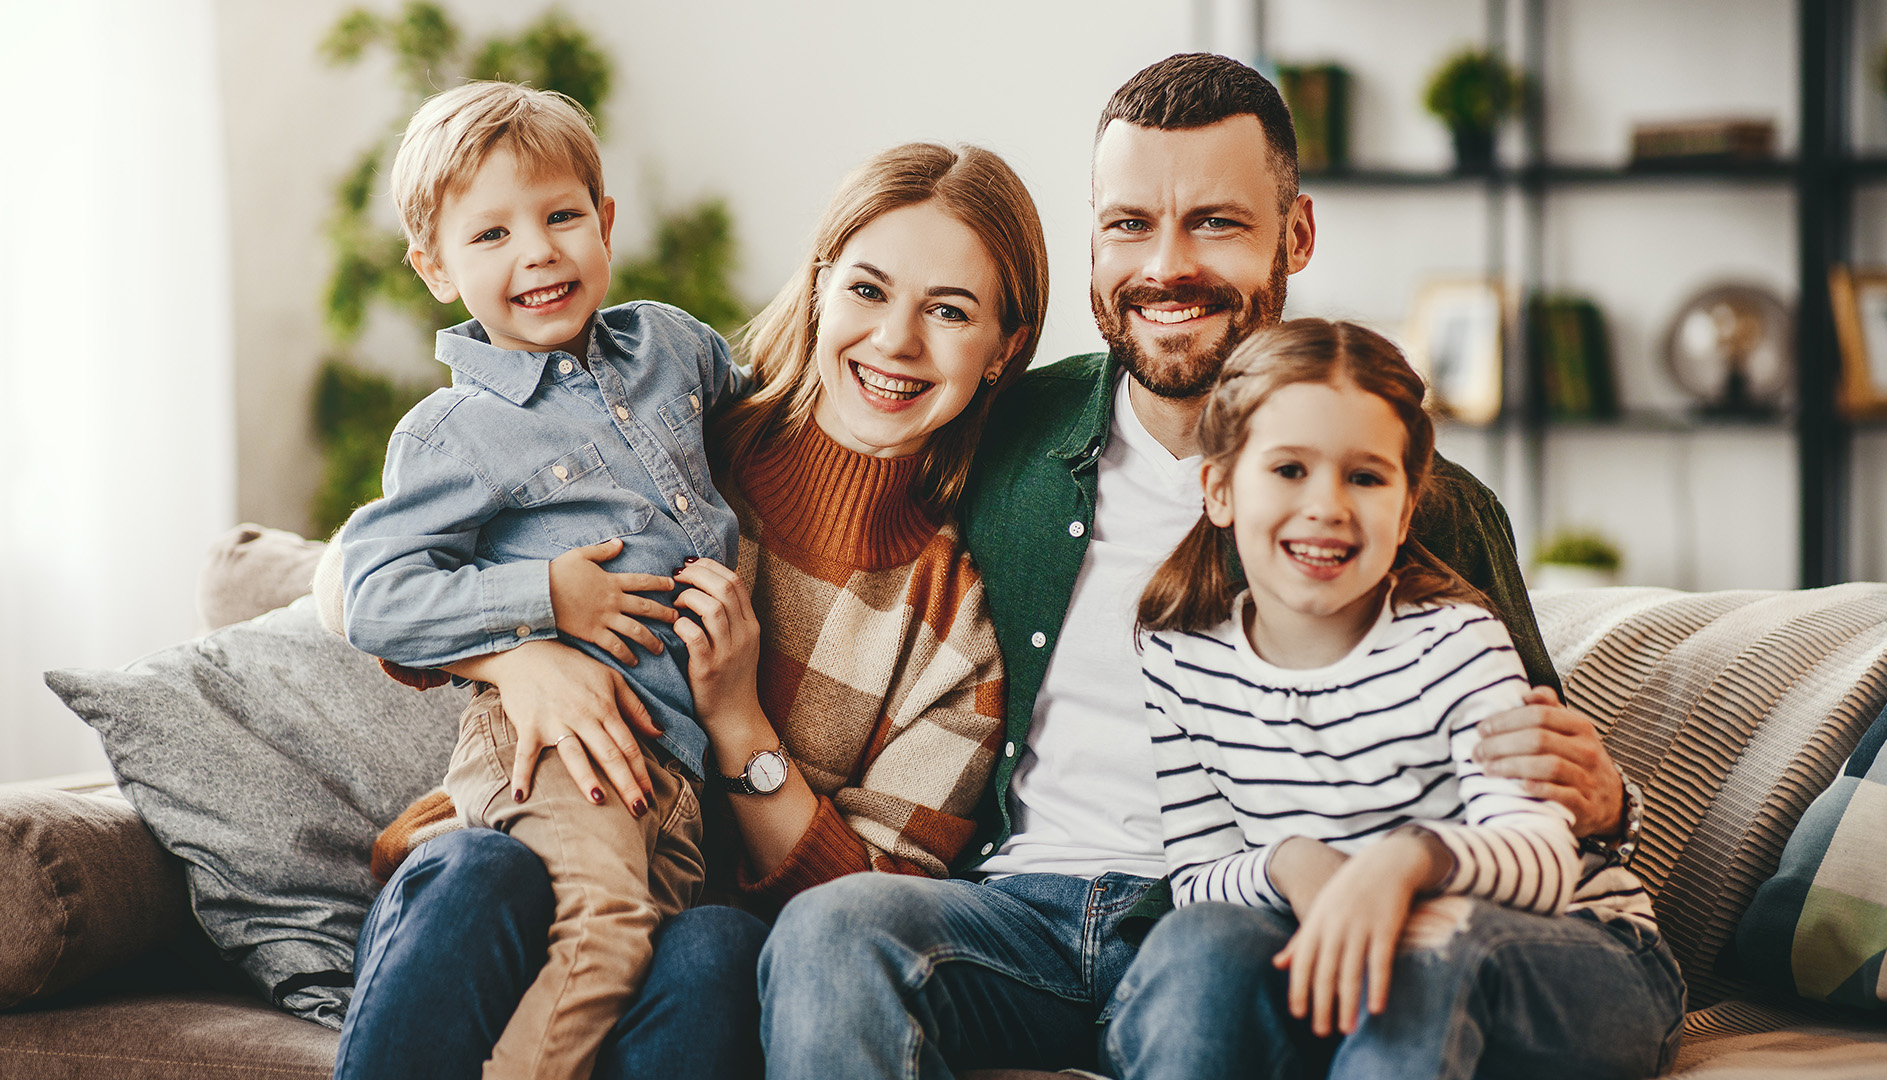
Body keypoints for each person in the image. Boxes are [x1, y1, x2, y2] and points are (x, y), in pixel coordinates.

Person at [756, 53, 1640, 1079]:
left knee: (1204, 959)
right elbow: (811, 439)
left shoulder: (1408, 499)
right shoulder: (1002, 429)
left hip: (1234, 913)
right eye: (1129, 224)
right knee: (835, 932)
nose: (1165, 267)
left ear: (1295, 236)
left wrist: (1605, 799)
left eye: (1215, 223)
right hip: (1015, 912)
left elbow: (1545, 788)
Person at [332, 140, 1049, 1080]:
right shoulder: (679, 430)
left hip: (686, 930)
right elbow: (354, 578)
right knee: (479, 874)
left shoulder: (953, 629)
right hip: (513, 858)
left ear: (1003, 350)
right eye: (868, 290)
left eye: (949, 312)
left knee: (717, 948)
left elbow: (874, 920)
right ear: (822, 286)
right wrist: (522, 657)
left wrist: (738, 720)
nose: (897, 341)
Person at [1113, 319, 1681, 1079]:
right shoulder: (1183, 657)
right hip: (1351, 956)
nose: (1327, 505)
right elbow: (1196, 878)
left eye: (1366, 477)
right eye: (1288, 470)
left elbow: (1545, 860)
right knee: (1199, 945)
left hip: (1576, 959)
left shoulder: (1457, 642)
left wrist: (1402, 864)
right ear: (1219, 489)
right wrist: (1290, 863)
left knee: (1430, 944)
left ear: (1408, 507)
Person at [334, 80, 745, 1080]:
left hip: (674, 769)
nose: (539, 251)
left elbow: (779, 418)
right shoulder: (455, 430)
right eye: (492, 236)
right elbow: (372, 597)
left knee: (645, 956)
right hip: (553, 750)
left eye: (562, 215)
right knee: (603, 932)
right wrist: (541, 606)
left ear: (605, 222)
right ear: (435, 269)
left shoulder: (675, 347)